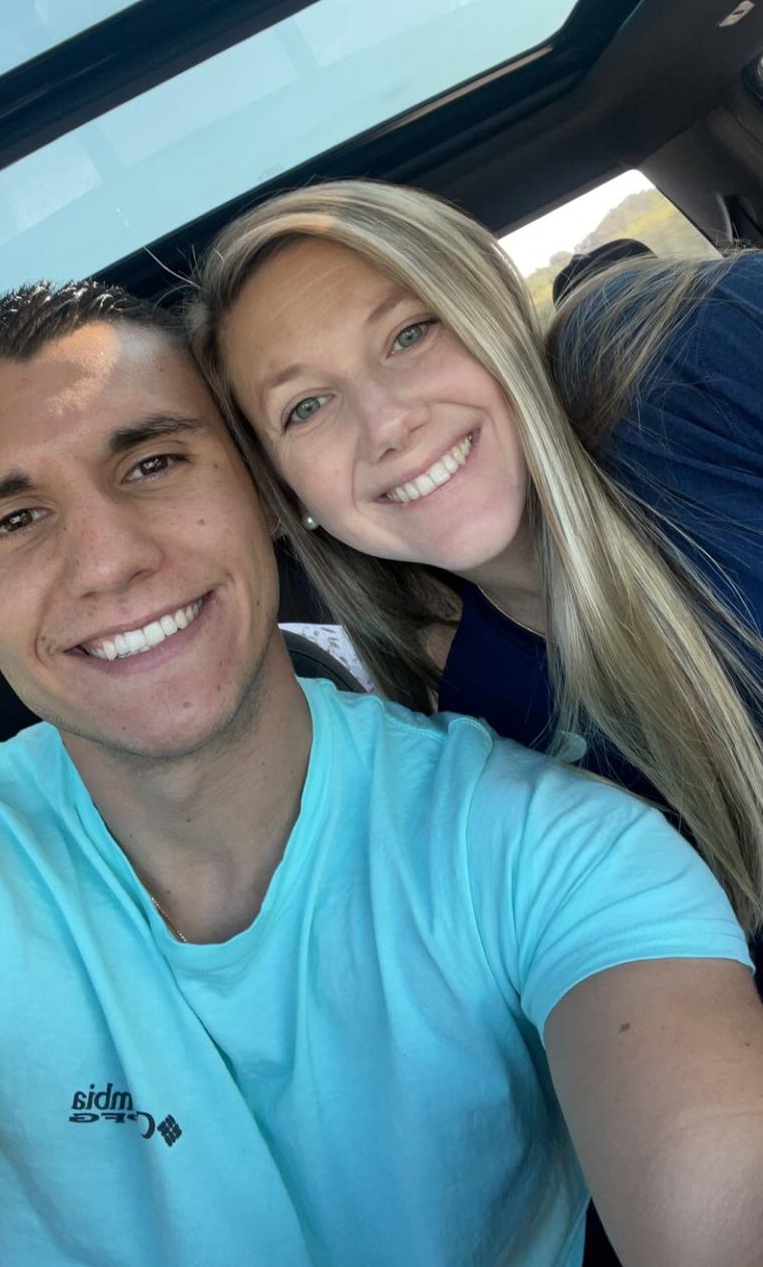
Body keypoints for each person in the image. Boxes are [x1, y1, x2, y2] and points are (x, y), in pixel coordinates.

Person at [0, 279, 763, 1267]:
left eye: (154, 462)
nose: (106, 562)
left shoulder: (552, 844)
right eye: (14, 520)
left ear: (263, 493)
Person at [186, 179, 763, 943]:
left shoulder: (683, 355)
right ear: (288, 495)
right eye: (306, 407)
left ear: (490, 311)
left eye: (409, 334)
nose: (388, 425)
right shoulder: (481, 734)